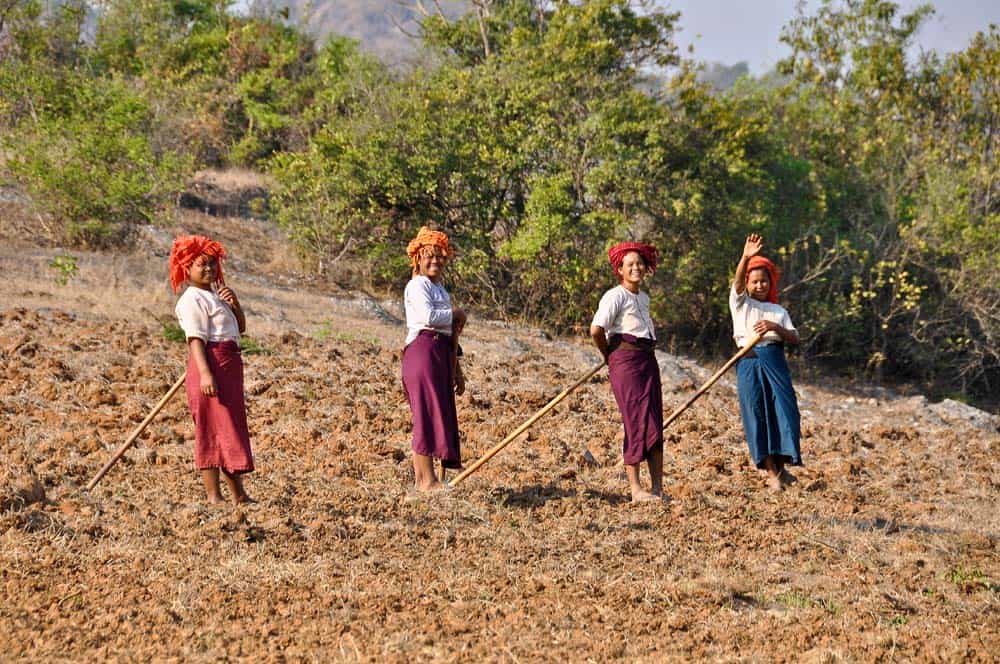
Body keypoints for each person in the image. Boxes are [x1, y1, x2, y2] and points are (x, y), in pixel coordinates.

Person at [170, 235, 254, 505]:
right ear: (186, 268)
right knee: (212, 430)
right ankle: (214, 496)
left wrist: (235, 305)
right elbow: (195, 339)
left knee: (226, 429)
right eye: (201, 264)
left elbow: (240, 328)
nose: (209, 269)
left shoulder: (215, 296)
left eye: (213, 264)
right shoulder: (191, 300)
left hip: (227, 366)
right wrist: (206, 374)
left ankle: (238, 495)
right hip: (211, 366)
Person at [590, 242, 665, 503]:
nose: (636, 268)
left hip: (647, 360)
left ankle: (658, 489)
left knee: (654, 422)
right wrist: (608, 356)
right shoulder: (615, 296)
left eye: (639, 263)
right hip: (626, 362)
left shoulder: (643, 298)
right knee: (635, 421)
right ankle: (636, 490)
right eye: (630, 264)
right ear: (620, 269)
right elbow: (596, 329)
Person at [730, 233, 802, 491]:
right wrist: (745, 257)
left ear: (770, 283)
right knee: (757, 413)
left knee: (784, 413)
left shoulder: (778, 311)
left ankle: (782, 468)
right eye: (755, 281)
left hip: (775, 362)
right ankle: (771, 473)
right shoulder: (740, 304)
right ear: (748, 283)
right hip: (749, 362)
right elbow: (737, 282)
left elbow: (794, 338)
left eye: (764, 281)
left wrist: (774, 327)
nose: (760, 285)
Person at [401, 227, 467, 492]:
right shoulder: (417, 286)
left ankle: (426, 482)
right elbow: (428, 317)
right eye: (429, 256)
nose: (435, 261)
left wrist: (457, 370)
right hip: (423, 352)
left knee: (435, 412)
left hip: (440, 353)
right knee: (425, 415)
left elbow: (449, 332)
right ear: (418, 258)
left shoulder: (439, 289)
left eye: (440, 256)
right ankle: (426, 482)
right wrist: (455, 314)